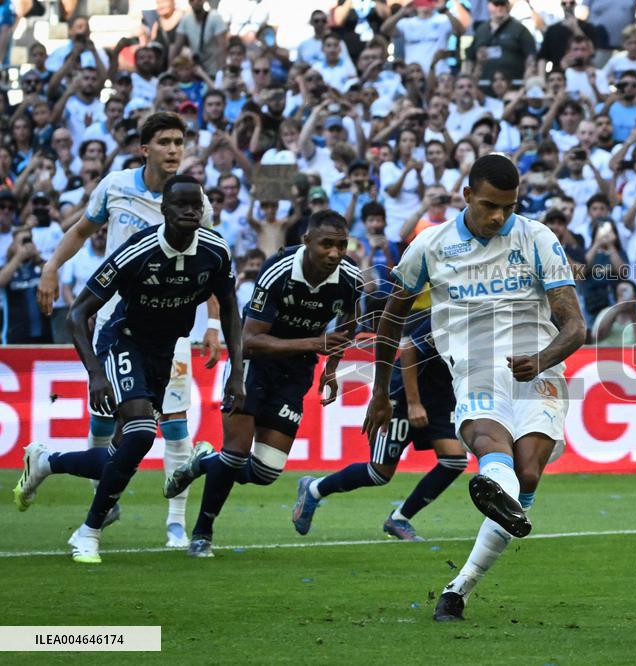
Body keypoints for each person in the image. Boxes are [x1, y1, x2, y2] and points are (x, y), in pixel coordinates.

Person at [362, 154, 585, 622]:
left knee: (526, 476)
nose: (499, 216)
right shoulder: (430, 245)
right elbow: (390, 320)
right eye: (489, 205)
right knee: (488, 442)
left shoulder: (538, 238)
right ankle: (491, 485)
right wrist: (380, 391)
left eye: (509, 206)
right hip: (475, 369)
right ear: (465, 196)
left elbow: (574, 327)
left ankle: (459, 587)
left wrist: (541, 360)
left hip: (540, 369)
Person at [13, 175, 244, 564]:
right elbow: (78, 313)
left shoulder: (216, 250)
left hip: (164, 353)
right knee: (140, 434)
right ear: (165, 211)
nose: (190, 211)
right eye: (181, 205)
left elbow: (232, 310)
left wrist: (236, 372)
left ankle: (46, 462)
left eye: (196, 205)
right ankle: (88, 532)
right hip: (123, 339)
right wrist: (96, 374)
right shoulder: (139, 250)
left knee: (121, 453)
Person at [34, 113, 221, 549]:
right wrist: (50, 267)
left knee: (173, 423)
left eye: (180, 142)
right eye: (165, 142)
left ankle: (176, 522)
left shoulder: (195, 201)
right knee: (107, 422)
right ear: (145, 149)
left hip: (171, 328)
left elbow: (209, 264)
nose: (174, 150)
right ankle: (100, 497)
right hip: (115, 322)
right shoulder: (116, 186)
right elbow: (81, 230)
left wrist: (211, 323)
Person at [164, 210, 361, 557]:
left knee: (266, 471)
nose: (334, 253)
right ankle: (202, 533)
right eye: (326, 244)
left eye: (341, 245)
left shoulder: (350, 279)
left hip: (296, 371)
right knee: (236, 453)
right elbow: (250, 340)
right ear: (307, 242)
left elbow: (348, 322)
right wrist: (316, 344)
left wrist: (331, 368)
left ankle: (203, 462)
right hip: (251, 367)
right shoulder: (279, 271)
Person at [292, 308, 468, 541]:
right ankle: (314, 489)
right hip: (403, 394)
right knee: (379, 473)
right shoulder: (453, 314)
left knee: (454, 461)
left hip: (440, 397)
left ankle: (399, 519)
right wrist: (414, 403)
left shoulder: (489, 324)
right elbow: (408, 350)